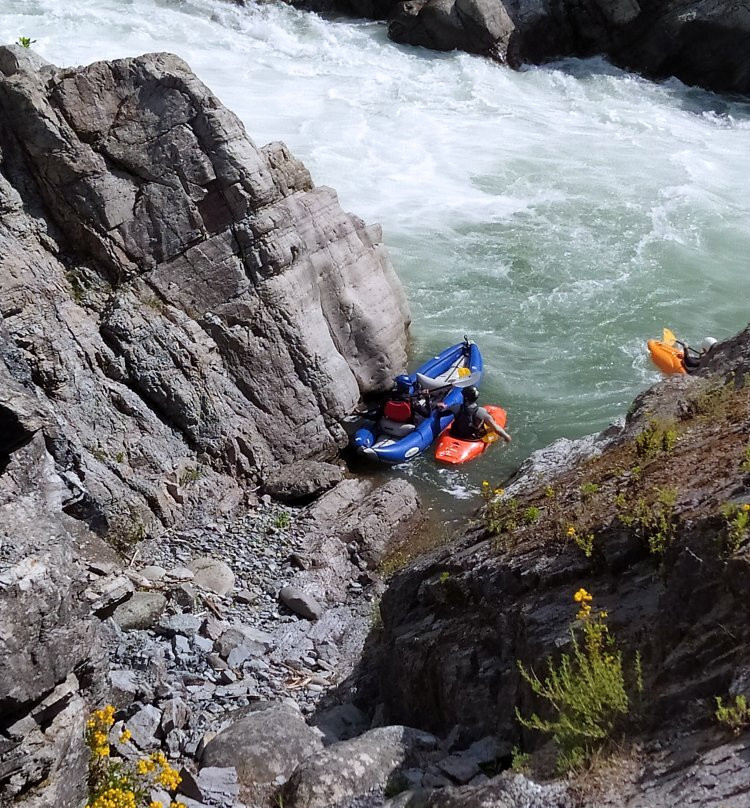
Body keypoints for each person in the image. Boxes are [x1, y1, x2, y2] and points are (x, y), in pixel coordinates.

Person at [438, 386, 511, 442]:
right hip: (471, 438)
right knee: (490, 426)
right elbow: (496, 428)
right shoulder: (482, 412)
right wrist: (506, 436)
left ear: (465, 398)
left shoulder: (455, 407)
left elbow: (441, 413)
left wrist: (442, 407)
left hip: (455, 434)